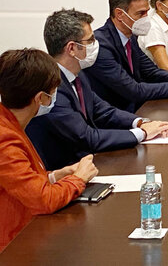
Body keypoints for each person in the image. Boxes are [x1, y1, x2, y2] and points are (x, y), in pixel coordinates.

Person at [26, 9, 168, 171]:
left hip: (89, 161)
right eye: (90, 40)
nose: (96, 44)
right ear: (72, 48)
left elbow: (102, 110)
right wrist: (142, 133)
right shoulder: (51, 88)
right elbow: (87, 137)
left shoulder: (78, 73)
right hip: (65, 172)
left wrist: (140, 122)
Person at [0, 49, 98, 251]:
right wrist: (78, 179)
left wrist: (55, 177)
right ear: (41, 98)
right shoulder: (4, 138)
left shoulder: (9, 121)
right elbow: (43, 200)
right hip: (13, 244)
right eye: (53, 92)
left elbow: (20, 181)